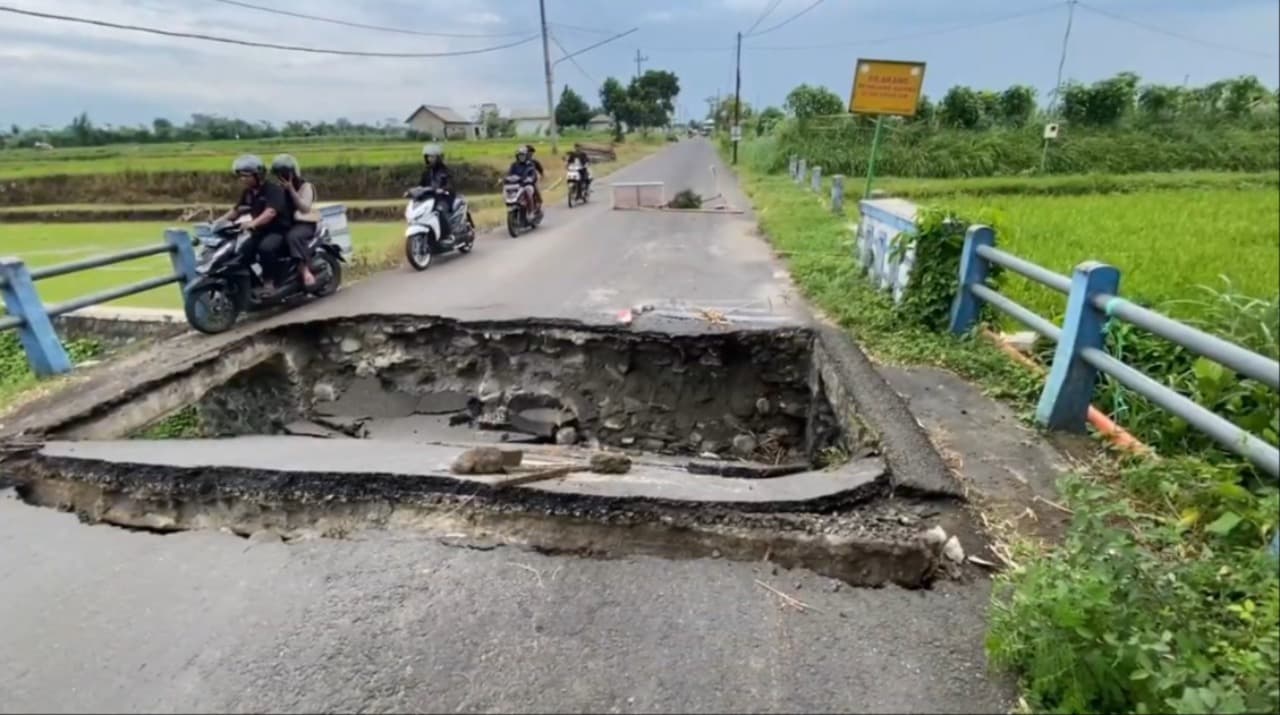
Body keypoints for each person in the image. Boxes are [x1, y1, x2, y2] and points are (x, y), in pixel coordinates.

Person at [218, 154, 293, 297]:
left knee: (265, 248)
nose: (242, 179)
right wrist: (218, 223)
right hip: (259, 231)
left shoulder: (273, 190)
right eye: (240, 176)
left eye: (246, 176)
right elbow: (236, 211)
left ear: (258, 175)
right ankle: (252, 285)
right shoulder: (248, 193)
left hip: (278, 231)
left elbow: (270, 212)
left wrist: (253, 223)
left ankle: (269, 283)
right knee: (241, 253)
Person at [269, 154, 320, 289]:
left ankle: (305, 271)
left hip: (304, 224)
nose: (283, 177)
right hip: (287, 223)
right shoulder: (277, 188)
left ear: (294, 173)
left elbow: (304, 208)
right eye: (279, 174)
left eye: (286, 174)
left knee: (292, 237)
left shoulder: (306, 186)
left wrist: (291, 189)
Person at [415, 143, 455, 240]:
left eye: (432, 157)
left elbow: (450, 184)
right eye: (428, 157)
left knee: (439, 211)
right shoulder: (426, 172)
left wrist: (444, 189)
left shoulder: (445, 171)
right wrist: (414, 191)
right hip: (430, 199)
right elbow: (420, 185)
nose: (430, 159)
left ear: (438, 158)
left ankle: (448, 234)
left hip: (444, 197)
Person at [508, 145, 542, 212]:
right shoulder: (514, 165)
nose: (521, 157)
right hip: (517, 184)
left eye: (523, 156)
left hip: (528, 183)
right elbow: (509, 174)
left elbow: (534, 173)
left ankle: (533, 207)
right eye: (520, 156)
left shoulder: (531, 163)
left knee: (531, 189)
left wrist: (531, 178)